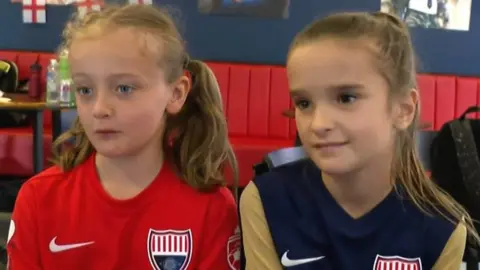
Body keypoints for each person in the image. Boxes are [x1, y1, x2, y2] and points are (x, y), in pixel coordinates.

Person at [7, 4, 240, 270]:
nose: (99, 109)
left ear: (176, 93)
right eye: (85, 90)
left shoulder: (212, 208)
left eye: (124, 88)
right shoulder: (39, 199)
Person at [240, 11, 479, 270]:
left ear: (403, 110)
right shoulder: (266, 199)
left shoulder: (443, 227)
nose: (319, 124)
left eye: (346, 98)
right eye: (304, 103)